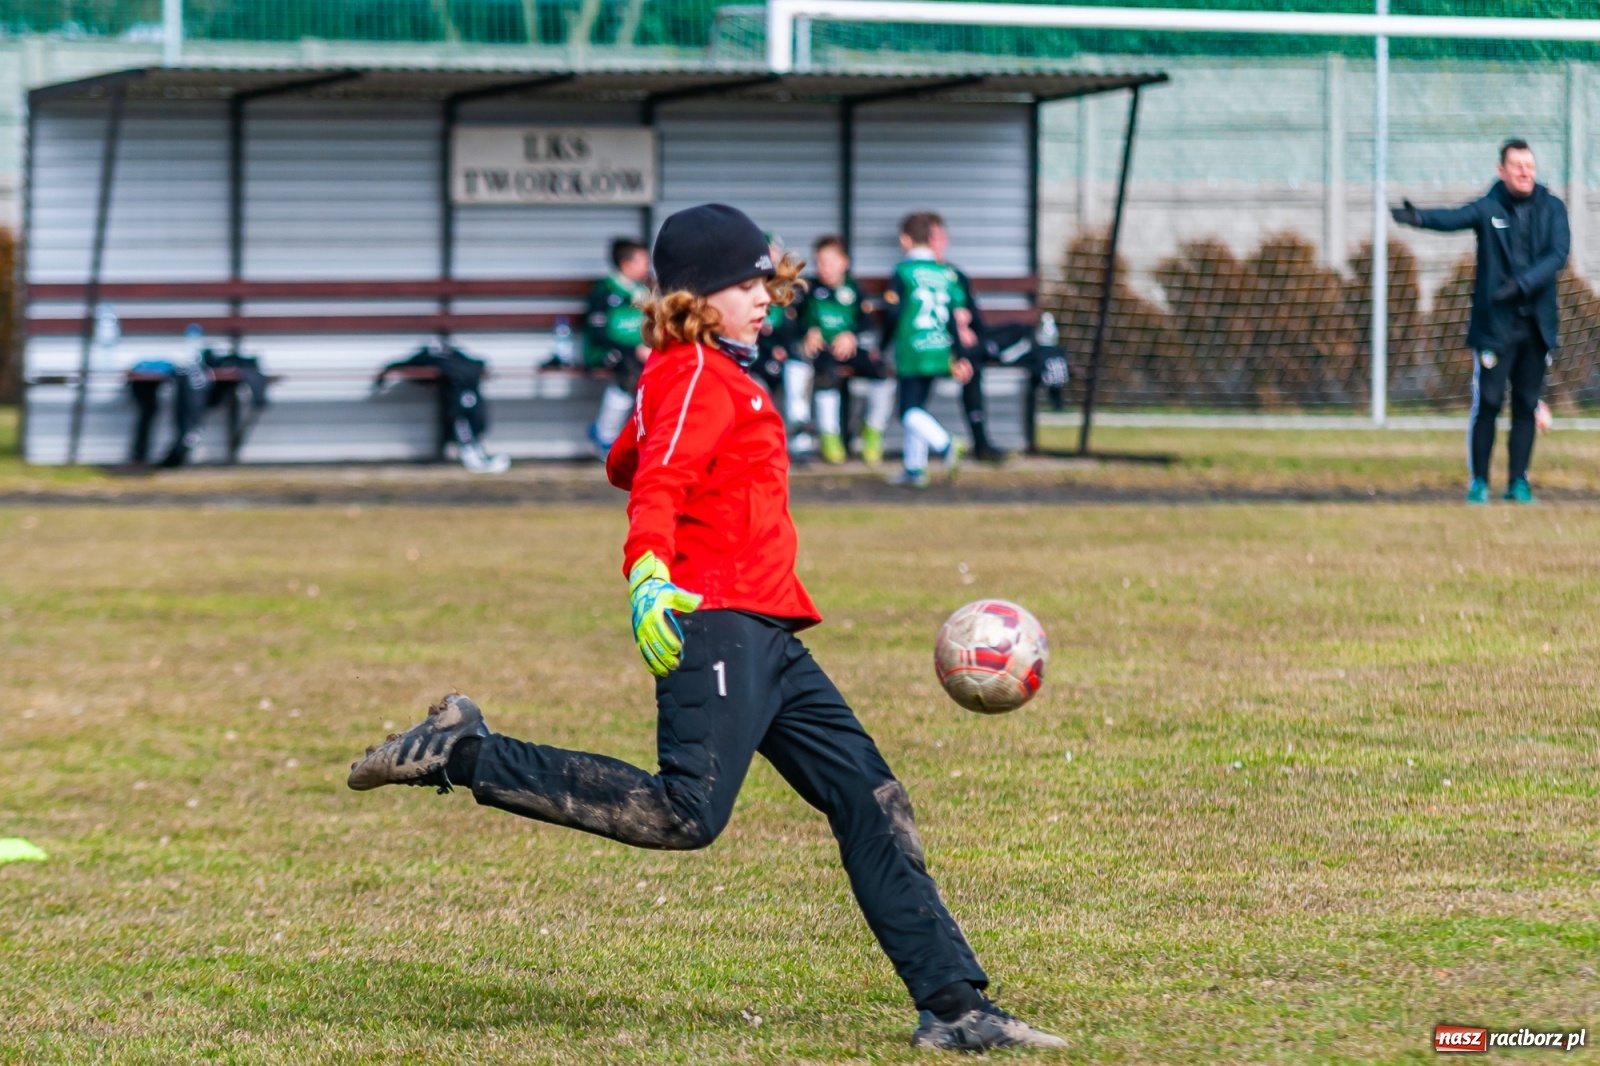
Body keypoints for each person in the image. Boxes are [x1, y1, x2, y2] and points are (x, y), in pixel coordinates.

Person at [346, 203, 1065, 1054]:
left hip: (769, 629)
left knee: (870, 798)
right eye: (744, 282)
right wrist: (648, 570)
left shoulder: (693, 375)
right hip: (713, 620)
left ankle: (955, 1008)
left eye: (767, 278)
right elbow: (654, 486)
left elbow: (630, 459)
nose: (764, 295)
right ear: (697, 296)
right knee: (683, 813)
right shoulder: (692, 373)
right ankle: (461, 751)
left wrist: (657, 427)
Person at [1391, 139, 1570, 504]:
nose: (1525, 172)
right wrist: (1420, 218)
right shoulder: (1490, 207)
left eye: (1529, 166)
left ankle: (1518, 483)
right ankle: (1479, 483)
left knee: (1525, 404)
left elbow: (1558, 255)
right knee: (1487, 403)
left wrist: (1520, 284)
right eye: (1517, 165)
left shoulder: (1552, 208)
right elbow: (1454, 218)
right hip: (1496, 326)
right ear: (1501, 170)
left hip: (1536, 325)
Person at [882, 212, 972, 487]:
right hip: (939, 348)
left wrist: (881, 346)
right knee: (918, 406)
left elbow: (893, 314)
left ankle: (945, 444)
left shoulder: (903, 272)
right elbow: (955, 318)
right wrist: (959, 354)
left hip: (914, 349)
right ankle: (914, 468)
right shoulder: (946, 273)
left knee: (907, 411)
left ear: (905, 239)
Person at [794, 235, 895, 465]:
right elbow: (793, 322)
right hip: (822, 353)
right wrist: (808, 332)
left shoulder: (854, 291)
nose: (823, 268)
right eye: (819, 262)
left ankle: (872, 430)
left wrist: (852, 336)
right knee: (826, 374)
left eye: (829, 262)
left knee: (883, 373)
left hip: (849, 351)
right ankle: (829, 436)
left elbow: (867, 324)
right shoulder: (808, 289)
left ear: (844, 262)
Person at [925, 216, 1009, 463]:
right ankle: (979, 443)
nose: (937, 243)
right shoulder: (916, 275)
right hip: (936, 347)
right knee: (971, 363)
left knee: (1016, 331)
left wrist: (968, 328)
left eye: (940, 237)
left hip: (966, 347)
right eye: (931, 238)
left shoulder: (956, 275)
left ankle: (975, 353)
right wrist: (955, 328)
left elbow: (976, 319)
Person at [585, 237, 653, 454]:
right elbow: (598, 335)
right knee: (630, 372)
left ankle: (651, 439)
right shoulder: (603, 292)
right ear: (626, 264)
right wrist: (635, 349)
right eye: (643, 261)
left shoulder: (644, 291)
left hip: (640, 352)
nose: (648, 266)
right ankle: (605, 435)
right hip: (606, 351)